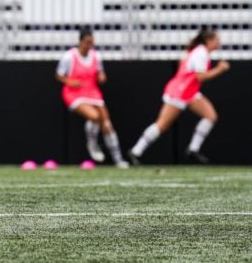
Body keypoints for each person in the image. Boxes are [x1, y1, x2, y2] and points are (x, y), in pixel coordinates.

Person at [128, 28, 231, 165]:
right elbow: (200, 77)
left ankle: (193, 149)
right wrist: (220, 69)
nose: (219, 43)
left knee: (210, 116)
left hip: (190, 92)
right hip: (180, 92)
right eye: (217, 40)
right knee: (162, 124)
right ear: (208, 40)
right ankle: (135, 151)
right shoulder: (200, 53)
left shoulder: (200, 52)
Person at [55, 28, 128, 168]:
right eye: (87, 42)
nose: (89, 46)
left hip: (92, 92)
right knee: (94, 117)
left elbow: (100, 73)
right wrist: (70, 81)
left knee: (106, 123)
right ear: (80, 41)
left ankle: (118, 159)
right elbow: (59, 75)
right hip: (74, 93)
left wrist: (101, 77)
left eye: (92, 43)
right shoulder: (69, 56)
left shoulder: (96, 56)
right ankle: (92, 143)